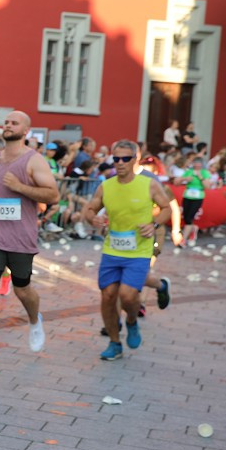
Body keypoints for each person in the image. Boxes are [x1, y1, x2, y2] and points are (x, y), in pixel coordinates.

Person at [0, 111, 59, 367]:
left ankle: (34, 319)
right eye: (6, 122)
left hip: (21, 237)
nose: (8, 126)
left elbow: (53, 195)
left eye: (14, 123)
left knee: (22, 289)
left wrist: (19, 187)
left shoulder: (34, 161)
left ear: (26, 130)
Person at [82, 140, 171, 360]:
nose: (120, 163)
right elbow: (90, 209)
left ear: (135, 160)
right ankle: (114, 343)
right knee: (108, 296)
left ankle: (131, 322)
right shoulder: (106, 186)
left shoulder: (148, 185)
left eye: (125, 159)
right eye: (116, 159)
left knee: (127, 295)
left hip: (138, 251)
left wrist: (154, 224)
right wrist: (94, 219)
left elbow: (167, 208)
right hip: (112, 249)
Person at [176, 155, 216, 246]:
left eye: (199, 163)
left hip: (198, 197)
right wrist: (184, 179)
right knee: (185, 217)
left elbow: (208, 187)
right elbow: (176, 182)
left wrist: (200, 177)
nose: (197, 165)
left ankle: (183, 240)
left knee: (189, 217)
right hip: (187, 195)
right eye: (195, 163)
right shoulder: (188, 172)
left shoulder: (205, 173)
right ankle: (193, 229)